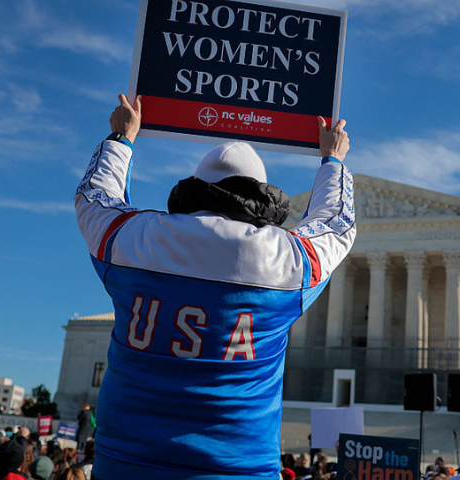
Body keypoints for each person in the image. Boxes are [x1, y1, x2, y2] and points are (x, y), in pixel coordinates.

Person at [74, 94, 354, 480]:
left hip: (125, 464)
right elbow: (337, 223)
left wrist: (121, 138)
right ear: (260, 196)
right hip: (238, 468)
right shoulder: (285, 261)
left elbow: (94, 199)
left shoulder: (138, 239)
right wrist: (333, 160)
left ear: (194, 187)